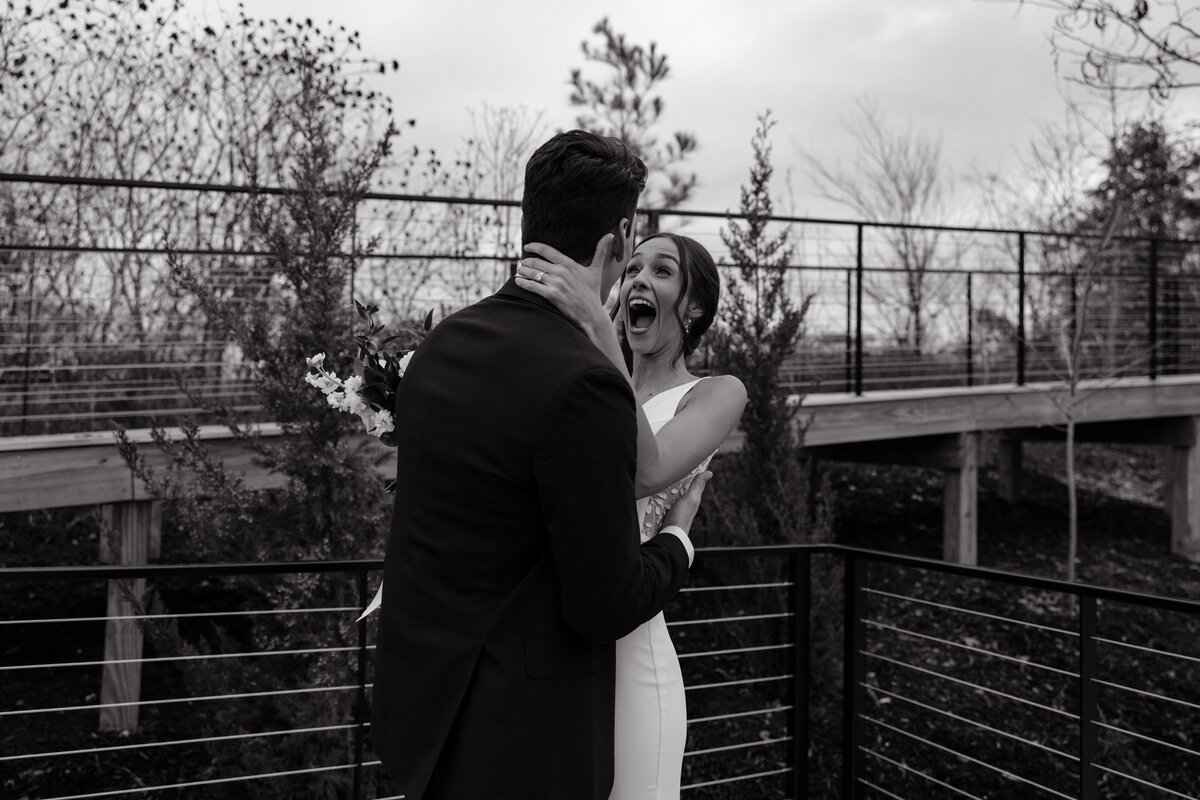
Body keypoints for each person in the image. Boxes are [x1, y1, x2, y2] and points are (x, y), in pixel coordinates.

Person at [370, 131, 711, 800]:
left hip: (423, 715)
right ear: (619, 235)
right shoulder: (585, 382)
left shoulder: (444, 344)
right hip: (516, 743)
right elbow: (604, 603)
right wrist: (678, 542)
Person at [516, 232, 747, 799]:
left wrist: (598, 333)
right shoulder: (583, 381)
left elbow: (646, 470)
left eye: (662, 271)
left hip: (634, 658)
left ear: (693, 308)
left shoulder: (716, 393)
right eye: (634, 267)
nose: (640, 278)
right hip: (551, 648)